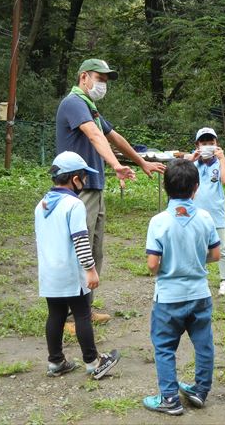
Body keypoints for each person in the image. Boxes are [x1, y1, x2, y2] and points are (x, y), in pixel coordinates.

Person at [56, 58, 165, 328]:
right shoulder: (73, 103)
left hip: (94, 188)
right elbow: (94, 136)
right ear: (84, 77)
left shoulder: (90, 107)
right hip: (77, 190)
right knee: (78, 249)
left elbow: (113, 136)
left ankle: (85, 309)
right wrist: (116, 165)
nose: (103, 84)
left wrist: (141, 161)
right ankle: (71, 315)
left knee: (95, 251)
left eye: (105, 80)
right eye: (99, 78)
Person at [143, 159, 221, 415]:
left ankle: (169, 399)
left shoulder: (159, 221)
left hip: (168, 297)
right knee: (204, 344)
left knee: (165, 347)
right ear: (196, 188)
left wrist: (165, 264)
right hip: (200, 294)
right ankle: (200, 390)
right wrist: (196, 259)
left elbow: (153, 264)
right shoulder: (206, 217)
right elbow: (216, 254)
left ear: (165, 187)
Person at [34, 151, 120, 380]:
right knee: (82, 314)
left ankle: (56, 362)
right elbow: (81, 240)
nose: (84, 182)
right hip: (72, 272)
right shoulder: (74, 204)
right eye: (83, 177)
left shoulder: (41, 204)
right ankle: (93, 362)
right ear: (74, 179)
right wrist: (90, 269)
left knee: (55, 315)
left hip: (49, 272)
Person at [191, 127, 225, 295]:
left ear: (217, 144)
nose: (208, 146)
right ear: (197, 145)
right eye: (204, 143)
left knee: (221, 248)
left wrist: (222, 159)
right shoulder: (193, 164)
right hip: (195, 214)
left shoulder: (219, 164)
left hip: (216, 214)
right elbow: (180, 177)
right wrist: (190, 160)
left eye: (211, 143)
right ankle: (198, 276)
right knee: (197, 247)